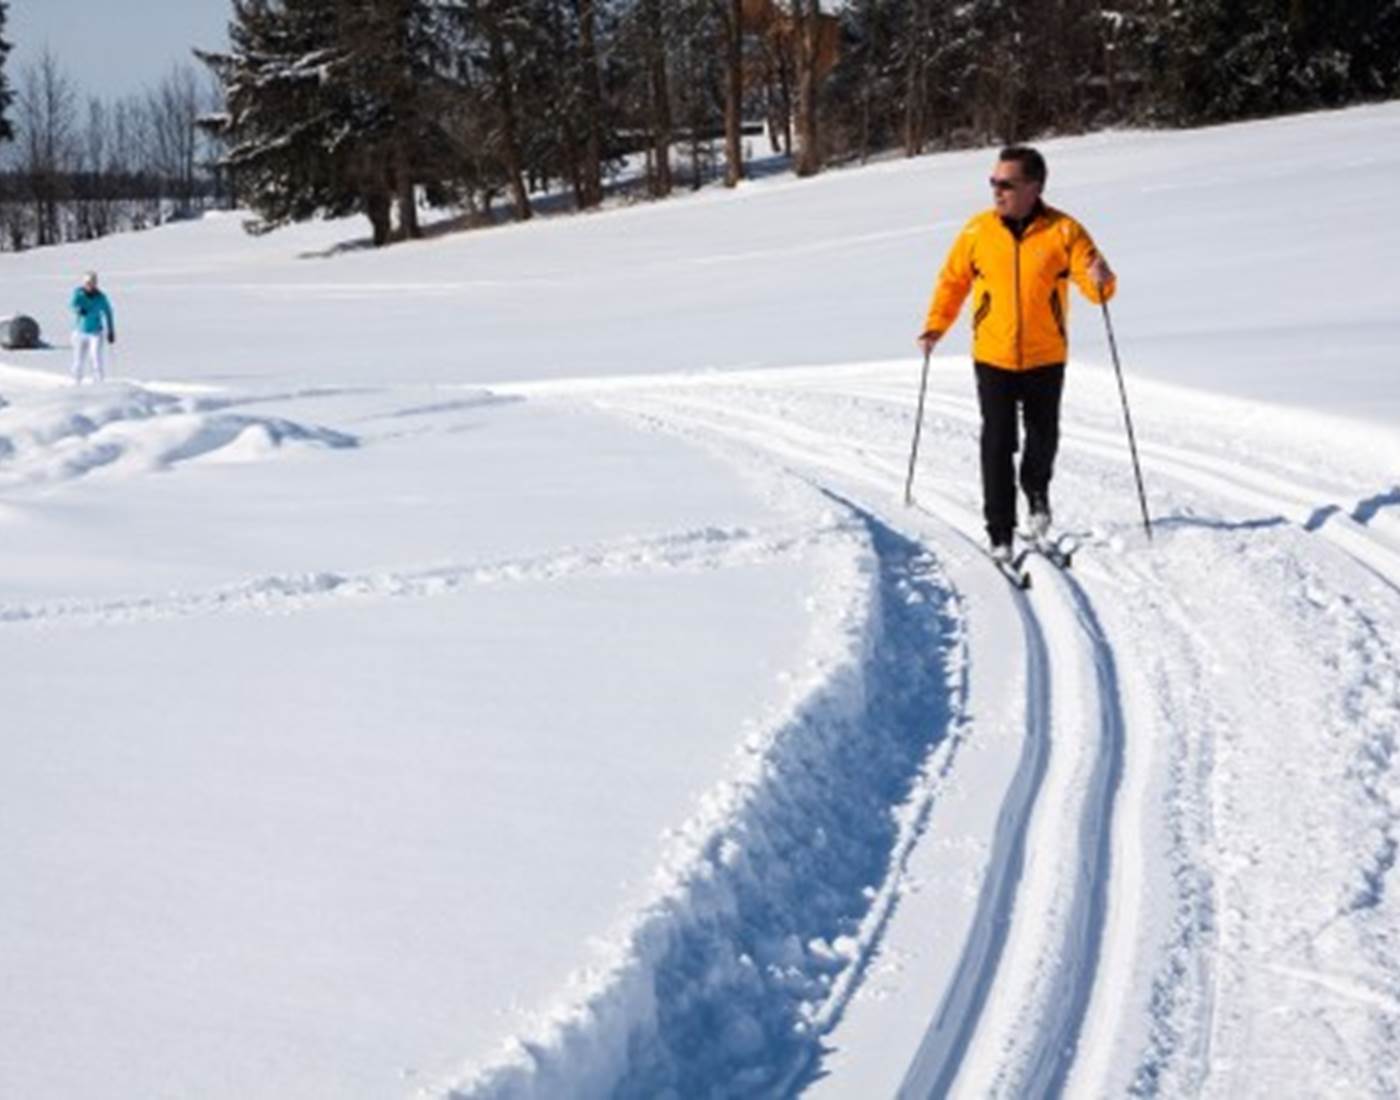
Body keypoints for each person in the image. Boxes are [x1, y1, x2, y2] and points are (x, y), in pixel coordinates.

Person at [917, 146, 1115, 562]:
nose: (997, 191)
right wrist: (936, 325)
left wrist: (1101, 278)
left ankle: (1037, 492)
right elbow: (952, 282)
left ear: (1034, 187)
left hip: (1046, 355)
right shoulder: (977, 232)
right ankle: (1000, 531)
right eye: (993, 182)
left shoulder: (1064, 231)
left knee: (1043, 439)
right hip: (994, 356)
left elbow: (1093, 283)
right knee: (997, 442)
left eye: (1006, 183)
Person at [70, 271, 116, 384]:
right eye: (87, 283)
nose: (90, 286)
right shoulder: (78, 294)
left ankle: (99, 383)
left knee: (95, 358)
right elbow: (72, 304)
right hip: (80, 333)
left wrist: (111, 330)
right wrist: (78, 310)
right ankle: (76, 383)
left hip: (96, 333)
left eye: (92, 283)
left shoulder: (101, 297)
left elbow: (108, 312)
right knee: (78, 360)